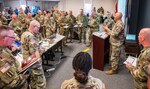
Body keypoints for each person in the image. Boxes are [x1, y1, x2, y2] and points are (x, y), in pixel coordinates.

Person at [21, 20, 46, 89]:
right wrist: (42, 50)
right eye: (38, 28)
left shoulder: (24, 34)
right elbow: (35, 54)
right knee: (41, 84)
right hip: (34, 64)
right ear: (34, 27)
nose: (38, 30)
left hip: (28, 63)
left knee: (33, 82)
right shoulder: (31, 36)